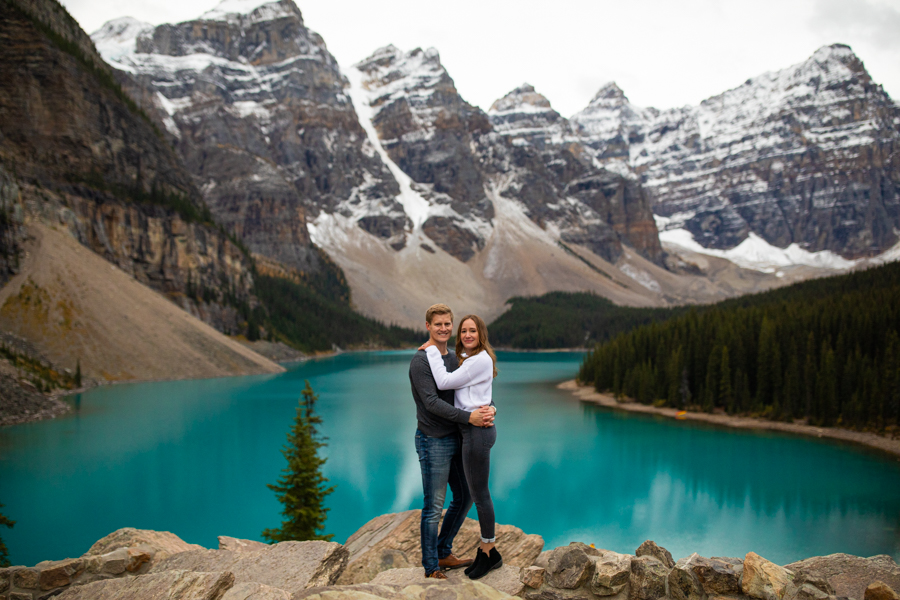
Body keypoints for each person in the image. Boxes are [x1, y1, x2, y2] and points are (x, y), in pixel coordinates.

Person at [409, 304, 496, 579]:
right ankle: (432, 565)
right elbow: (432, 402)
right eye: (438, 324)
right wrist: (469, 418)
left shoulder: (457, 358)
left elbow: (475, 391)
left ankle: (444, 551)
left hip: (458, 436)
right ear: (428, 326)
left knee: (467, 495)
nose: (444, 329)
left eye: (448, 324)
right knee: (434, 505)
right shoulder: (421, 360)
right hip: (433, 439)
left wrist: (492, 408)